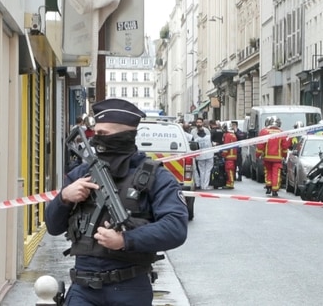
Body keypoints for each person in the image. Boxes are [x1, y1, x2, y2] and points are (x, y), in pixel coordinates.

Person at [45, 98, 188, 306]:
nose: (96, 140)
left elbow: (176, 228)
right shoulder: (82, 174)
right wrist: (64, 198)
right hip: (83, 289)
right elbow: (52, 226)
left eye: (103, 134)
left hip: (130, 288)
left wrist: (126, 239)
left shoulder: (155, 177)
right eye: (96, 133)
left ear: (125, 136)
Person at [256, 116, 289, 197]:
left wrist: (258, 155)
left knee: (268, 171)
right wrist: (284, 156)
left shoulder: (264, 131)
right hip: (277, 158)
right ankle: (274, 190)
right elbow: (285, 147)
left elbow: (260, 145)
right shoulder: (282, 133)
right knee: (276, 173)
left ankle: (268, 186)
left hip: (267, 156)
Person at [190, 117, 214, 190]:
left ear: (202, 123)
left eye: (200, 122)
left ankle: (202, 185)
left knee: (202, 170)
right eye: (198, 122)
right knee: (206, 171)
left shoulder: (205, 132)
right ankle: (204, 185)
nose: (199, 124)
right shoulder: (193, 131)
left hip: (201, 155)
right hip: (206, 154)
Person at [221, 124, 238, 189]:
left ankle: (230, 183)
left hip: (229, 156)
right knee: (231, 170)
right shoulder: (233, 135)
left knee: (229, 170)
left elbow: (226, 146)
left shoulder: (227, 135)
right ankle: (229, 182)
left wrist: (223, 154)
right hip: (233, 155)